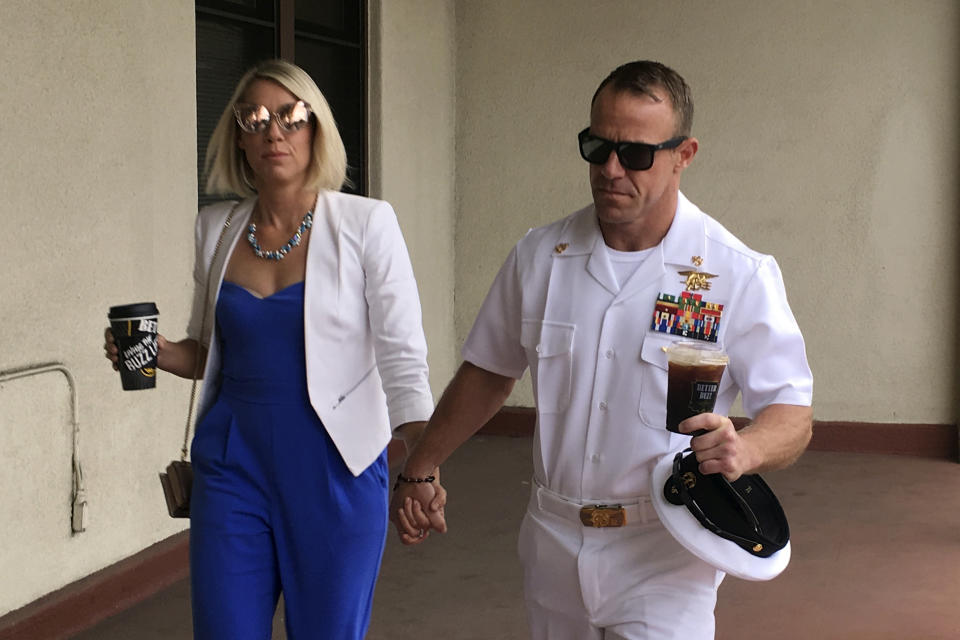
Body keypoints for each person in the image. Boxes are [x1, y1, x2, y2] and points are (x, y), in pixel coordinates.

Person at [391, 60, 813, 639]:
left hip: (665, 549)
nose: (611, 169)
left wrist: (749, 449)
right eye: (597, 147)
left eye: (636, 154)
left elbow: (792, 412)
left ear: (683, 155)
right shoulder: (541, 256)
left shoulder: (733, 273)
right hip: (553, 539)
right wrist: (422, 464)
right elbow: (489, 372)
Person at [104, 59, 436, 639]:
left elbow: (402, 357)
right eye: (254, 118)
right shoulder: (217, 229)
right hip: (234, 465)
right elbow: (213, 354)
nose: (273, 132)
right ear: (239, 136)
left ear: (316, 129)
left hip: (336, 468)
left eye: (290, 116)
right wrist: (153, 351)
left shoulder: (366, 223)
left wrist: (423, 466)